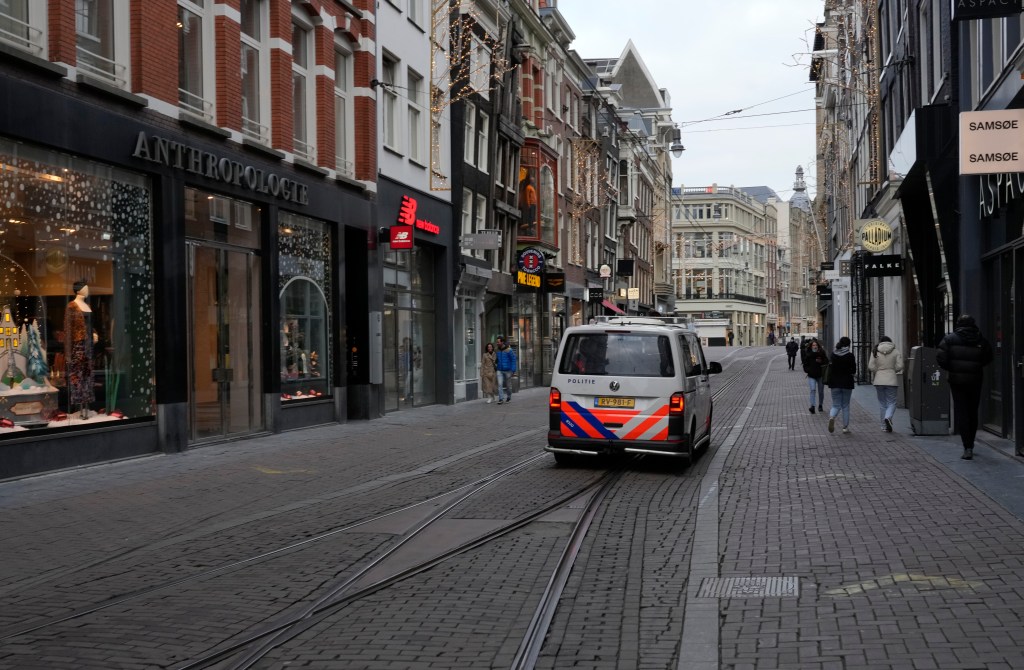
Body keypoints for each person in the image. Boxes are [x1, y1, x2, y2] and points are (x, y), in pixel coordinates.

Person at [937, 314, 993, 460]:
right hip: (975, 379)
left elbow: (941, 358)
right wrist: (976, 367)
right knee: (972, 412)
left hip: (957, 381)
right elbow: (988, 357)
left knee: (962, 412)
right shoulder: (980, 339)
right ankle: (971, 444)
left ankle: (966, 446)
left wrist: (952, 368)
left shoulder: (950, 339)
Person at [64, 280, 95, 419]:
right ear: (79, 290)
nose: (87, 290)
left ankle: (87, 406)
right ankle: (80, 409)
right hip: (77, 345)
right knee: (78, 375)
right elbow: (68, 329)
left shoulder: (87, 306)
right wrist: (68, 351)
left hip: (89, 345)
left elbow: (89, 324)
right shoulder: (71, 306)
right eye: (85, 288)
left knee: (88, 374)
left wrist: (94, 333)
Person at [867, 335, 903, 433]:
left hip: (879, 380)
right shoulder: (895, 351)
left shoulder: (875, 351)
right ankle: (888, 417)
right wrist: (892, 370)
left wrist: (878, 371)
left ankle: (883, 426)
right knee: (892, 402)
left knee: (882, 404)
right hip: (891, 380)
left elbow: (871, 366)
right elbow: (900, 365)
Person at [826, 336, 857, 434]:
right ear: (848, 345)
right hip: (847, 383)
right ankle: (845, 427)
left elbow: (830, 368)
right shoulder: (850, 356)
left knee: (835, 404)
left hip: (834, 383)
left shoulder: (833, 355)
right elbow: (853, 370)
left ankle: (832, 417)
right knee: (845, 405)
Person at [801, 338, 828, 414]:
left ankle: (820, 405)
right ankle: (812, 406)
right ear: (811, 346)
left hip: (820, 375)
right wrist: (808, 370)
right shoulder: (808, 354)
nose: (815, 346)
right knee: (812, 390)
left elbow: (827, 361)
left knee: (821, 391)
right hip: (811, 375)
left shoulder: (821, 353)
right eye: (813, 345)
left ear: (818, 346)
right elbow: (805, 364)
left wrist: (821, 361)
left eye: (816, 345)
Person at [495, 336, 517, 404]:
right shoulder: (497, 350)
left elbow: (513, 359)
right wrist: (496, 365)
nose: (497, 343)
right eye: (497, 342)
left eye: (498, 342)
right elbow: (496, 359)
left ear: (502, 342)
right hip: (499, 370)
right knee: (500, 384)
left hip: (508, 370)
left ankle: (508, 397)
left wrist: (513, 370)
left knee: (508, 385)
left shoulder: (509, 350)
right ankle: (501, 399)